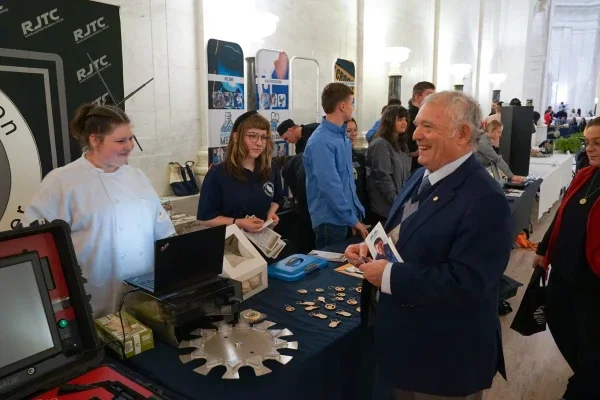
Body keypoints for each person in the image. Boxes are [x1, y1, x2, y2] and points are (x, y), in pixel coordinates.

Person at [345, 91, 513, 399]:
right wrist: (370, 247)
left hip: (443, 362)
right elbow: (403, 230)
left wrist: (388, 276)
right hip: (406, 350)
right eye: (417, 124)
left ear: (463, 133)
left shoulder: (486, 199)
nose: (416, 134)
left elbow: (468, 282)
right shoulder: (422, 173)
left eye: (428, 127)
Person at [24, 104, 176, 318]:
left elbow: (163, 232)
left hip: (145, 291)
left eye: (131, 138)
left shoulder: (137, 177)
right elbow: (38, 241)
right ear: (95, 140)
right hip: (95, 294)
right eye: (120, 141)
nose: (130, 146)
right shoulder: (63, 181)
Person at [533, 117, 600, 400]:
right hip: (563, 271)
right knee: (560, 325)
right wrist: (542, 250)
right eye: (588, 142)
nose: (590, 148)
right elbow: (562, 215)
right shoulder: (585, 175)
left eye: (598, 143)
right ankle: (587, 377)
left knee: (591, 343)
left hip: (592, 280)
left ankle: (583, 387)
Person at [304, 82, 367, 249]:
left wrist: (354, 214)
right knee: (331, 271)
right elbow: (330, 187)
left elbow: (347, 180)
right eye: (351, 103)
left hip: (346, 217)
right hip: (330, 221)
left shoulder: (341, 136)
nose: (352, 108)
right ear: (343, 106)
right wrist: (352, 219)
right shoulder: (321, 142)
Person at [197, 111, 283, 233]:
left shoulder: (270, 168)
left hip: (262, 238)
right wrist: (238, 222)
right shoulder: (218, 174)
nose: (259, 143)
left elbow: (277, 199)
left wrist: (271, 213)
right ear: (236, 137)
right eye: (253, 136)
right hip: (230, 243)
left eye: (263, 137)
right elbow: (204, 218)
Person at [366, 105, 412, 224]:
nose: (404, 122)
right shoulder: (380, 143)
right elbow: (383, 177)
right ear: (389, 120)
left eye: (406, 119)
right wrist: (397, 201)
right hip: (384, 208)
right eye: (400, 119)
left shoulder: (401, 143)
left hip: (397, 205)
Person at [406, 81, 436, 172]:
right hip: (412, 165)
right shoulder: (409, 116)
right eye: (429, 95)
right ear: (418, 97)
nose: (433, 99)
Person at [347, 118, 369, 220]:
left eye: (355, 130)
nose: (353, 134)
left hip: (360, 210)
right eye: (348, 131)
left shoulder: (360, 157)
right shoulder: (338, 157)